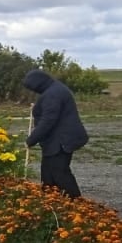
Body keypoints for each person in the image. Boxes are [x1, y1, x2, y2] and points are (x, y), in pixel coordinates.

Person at [22, 69, 89, 199]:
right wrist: (37, 107)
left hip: (61, 141)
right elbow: (48, 110)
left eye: (32, 88)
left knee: (59, 173)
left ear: (38, 84)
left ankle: (76, 203)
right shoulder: (54, 89)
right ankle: (52, 203)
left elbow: (48, 120)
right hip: (57, 140)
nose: (33, 91)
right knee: (48, 173)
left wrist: (31, 140)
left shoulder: (52, 94)